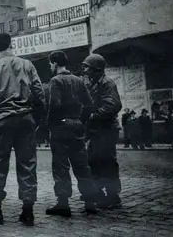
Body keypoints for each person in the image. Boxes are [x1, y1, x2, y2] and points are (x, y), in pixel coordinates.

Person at [0, 32, 45, 227]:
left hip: (2, 120)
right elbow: (39, 93)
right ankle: (27, 212)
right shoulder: (27, 64)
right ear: (11, 44)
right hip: (26, 119)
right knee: (28, 164)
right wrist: (38, 119)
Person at [45, 51, 97, 217]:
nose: (50, 67)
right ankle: (90, 202)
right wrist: (79, 120)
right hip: (76, 125)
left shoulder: (55, 81)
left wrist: (51, 124)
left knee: (61, 165)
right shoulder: (78, 80)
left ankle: (63, 203)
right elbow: (89, 105)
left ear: (54, 63)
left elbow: (54, 105)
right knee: (81, 163)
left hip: (61, 127)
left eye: (50, 64)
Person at [82, 53, 122, 209]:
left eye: (87, 67)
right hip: (96, 131)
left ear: (96, 69)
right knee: (93, 162)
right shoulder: (93, 83)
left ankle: (113, 196)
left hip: (106, 130)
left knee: (108, 163)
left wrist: (92, 116)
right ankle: (100, 194)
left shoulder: (107, 83)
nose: (84, 70)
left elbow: (113, 106)